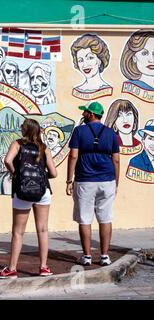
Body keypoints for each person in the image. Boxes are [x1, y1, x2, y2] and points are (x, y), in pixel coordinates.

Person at [0, 119, 57, 279]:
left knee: (18, 232)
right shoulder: (44, 148)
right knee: (42, 229)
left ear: (25, 130)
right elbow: (54, 173)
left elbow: (7, 160)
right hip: (43, 191)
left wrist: (15, 173)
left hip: (22, 190)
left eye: (22, 127)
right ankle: (43, 267)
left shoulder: (17, 144)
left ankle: (12, 269)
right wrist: (42, 176)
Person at [66, 101, 120, 267]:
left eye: (85, 112)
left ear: (90, 114)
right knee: (105, 218)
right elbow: (116, 159)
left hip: (85, 180)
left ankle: (87, 256)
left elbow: (73, 156)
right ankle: (104, 256)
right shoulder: (111, 133)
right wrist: (116, 182)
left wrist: (69, 180)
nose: (83, 114)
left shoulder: (79, 131)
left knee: (85, 219)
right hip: (107, 180)